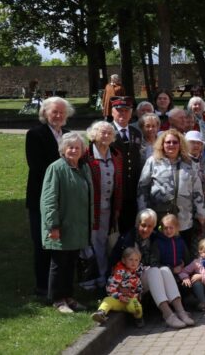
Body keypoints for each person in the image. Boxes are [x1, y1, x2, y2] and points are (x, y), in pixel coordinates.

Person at [111, 208, 194, 329]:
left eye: (150, 226)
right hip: (129, 281)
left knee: (164, 269)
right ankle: (168, 314)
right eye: (143, 225)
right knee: (154, 271)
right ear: (137, 223)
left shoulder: (155, 237)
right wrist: (120, 285)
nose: (146, 229)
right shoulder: (128, 239)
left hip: (146, 275)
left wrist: (177, 265)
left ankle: (180, 311)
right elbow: (115, 264)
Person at [25, 96, 72, 298]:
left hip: (67, 199)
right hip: (42, 198)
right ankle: (42, 287)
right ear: (45, 113)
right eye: (54, 111)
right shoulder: (35, 134)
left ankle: (62, 286)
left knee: (65, 244)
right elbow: (37, 167)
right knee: (43, 242)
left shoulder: (69, 135)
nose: (59, 115)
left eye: (62, 112)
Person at [41, 131, 93, 313]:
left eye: (77, 147)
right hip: (61, 226)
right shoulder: (56, 168)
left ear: (83, 150)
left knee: (71, 263)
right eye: (70, 147)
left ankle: (68, 296)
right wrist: (52, 226)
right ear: (63, 149)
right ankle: (57, 299)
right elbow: (49, 199)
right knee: (59, 264)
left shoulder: (83, 168)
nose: (73, 150)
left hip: (77, 226)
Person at [137, 129, 205, 253]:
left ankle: (182, 271)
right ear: (162, 144)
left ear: (180, 144)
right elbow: (143, 188)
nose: (171, 145)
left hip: (184, 217)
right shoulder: (153, 161)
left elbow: (197, 190)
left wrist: (201, 213)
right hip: (159, 216)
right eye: (168, 142)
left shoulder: (189, 163)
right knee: (160, 250)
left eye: (175, 142)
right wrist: (143, 212)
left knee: (182, 250)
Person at [85, 121, 124, 288]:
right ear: (94, 135)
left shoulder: (115, 155)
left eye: (109, 133)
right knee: (91, 243)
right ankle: (92, 277)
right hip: (90, 209)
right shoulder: (86, 155)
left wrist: (117, 208)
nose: (106, 135)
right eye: (102, 132)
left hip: (109, 208)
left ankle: (103, 275)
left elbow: (119, 184)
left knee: (104, 242)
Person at [111, 97, 144, 230]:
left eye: (126, 110)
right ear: (112, 112)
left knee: (131, 225)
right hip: (115, 187)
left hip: (133, 187)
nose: (123, 114)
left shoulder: (136, 133)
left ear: (131, 113)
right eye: (119, 110)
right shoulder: (106, 131)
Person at [92, 247, 144, 327]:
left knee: (136, 307)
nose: (133, 262)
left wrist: (132, 296)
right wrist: (119, 296)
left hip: (131, 300)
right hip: (118, 300)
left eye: (136, 260)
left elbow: (139, 289)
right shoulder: (119, 272)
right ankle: (101, 313)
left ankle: (139, 318)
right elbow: (110, 288)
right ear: (124, 260)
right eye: (130, 259)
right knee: (107, 300)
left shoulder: (138, 271)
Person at [155, 214, 188, 284]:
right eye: (165, 228)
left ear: (176, 228)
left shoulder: (180, 241)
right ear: (161, 228)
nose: (168, 230)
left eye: (171, 228)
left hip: (180, 273)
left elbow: (187, 258)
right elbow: (155, 263)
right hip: (165, 274)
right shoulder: (157, 243)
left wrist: (185, 267)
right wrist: (172, 269)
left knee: (187, 287)